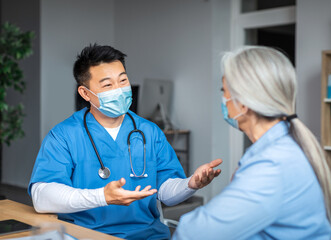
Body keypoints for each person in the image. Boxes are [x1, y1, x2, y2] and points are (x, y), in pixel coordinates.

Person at [28, 44, 222, 240]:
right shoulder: (64, 135)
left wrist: (190, 184)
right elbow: (42, 196)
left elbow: (164, 191)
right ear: (85, 93)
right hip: (86, 236)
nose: (119, 90)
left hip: (147, 236)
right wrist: (102, 196)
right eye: (107, 85)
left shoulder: (149, 131)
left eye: (123, 81)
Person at [173, 46, 331, 240]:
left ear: (243, 104)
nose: (223, 100)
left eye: (224, 91)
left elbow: (193, 234)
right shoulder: (284, 146)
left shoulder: (273, 164)